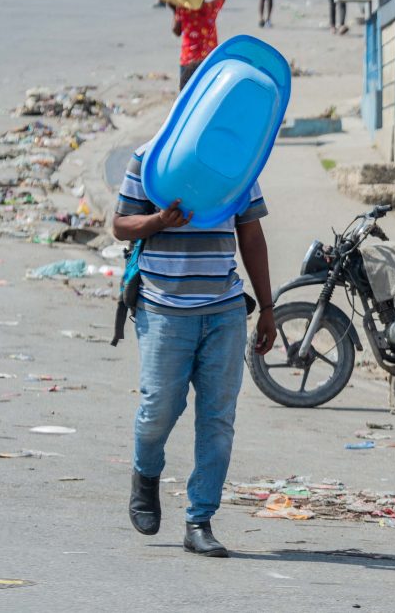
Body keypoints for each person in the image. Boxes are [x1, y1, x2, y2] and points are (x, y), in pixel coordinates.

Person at [113, 148, 276, 557]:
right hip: (163, 309)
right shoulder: (150, 158)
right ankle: (146, 476)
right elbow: (119, 225)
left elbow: (251, 233)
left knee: (218, 420)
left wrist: (268, 309)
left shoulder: (239, 158)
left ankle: (199, 520)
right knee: (158, 410)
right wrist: (157, 221)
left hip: (224, 309)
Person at [172, 0, 229, 90]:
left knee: (186, 99)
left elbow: (176, 31)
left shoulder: (183, 10)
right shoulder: (211, 8)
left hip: (188, 62)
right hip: (208, 61)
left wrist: (175, 12)